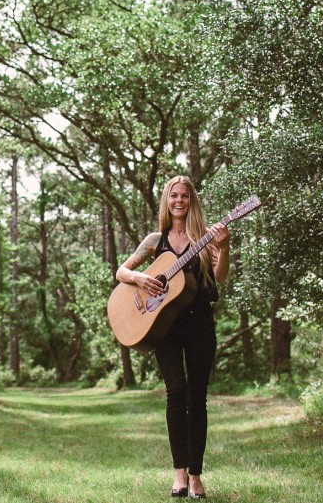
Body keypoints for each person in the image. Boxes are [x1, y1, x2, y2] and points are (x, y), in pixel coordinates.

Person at [116, 175, 230, 500]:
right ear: (167, 201)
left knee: (197, 397)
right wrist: (139, 277)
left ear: (191, 201)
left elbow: (220, 277)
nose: (179, 201)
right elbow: (121, 271)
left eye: (184, 196)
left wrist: (224, 245)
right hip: (164, 325)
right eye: (173, 196)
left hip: (199, 324)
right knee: (175, 392)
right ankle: (178, 472)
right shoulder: (155, 241)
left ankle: (195, 476)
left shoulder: (204, 239)